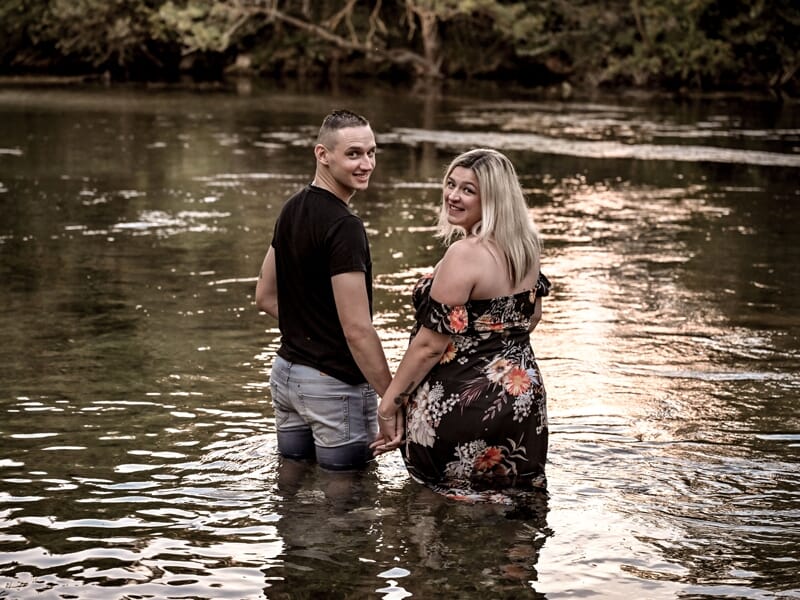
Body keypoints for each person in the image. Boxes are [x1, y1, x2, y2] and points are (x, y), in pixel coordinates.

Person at [372, 148, 551, 501]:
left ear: (494, 199)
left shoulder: (465, 254)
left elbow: (430, 345)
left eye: (468, 190)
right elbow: (531, 317)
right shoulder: (527, 247)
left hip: (463, 402)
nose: (453, 196)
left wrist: (389, 404)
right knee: (509, 504)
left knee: (439, 506)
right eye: (450, 184)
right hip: (522, 398)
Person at [255, 109, 391, 471]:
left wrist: (309, 332)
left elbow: (265, 295)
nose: (366, 164)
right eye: (353, 154)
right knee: (348, 500)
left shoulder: (291, 209)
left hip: (287, 374)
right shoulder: (345, 227)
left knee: (291, 485)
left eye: (371, 152)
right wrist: (393, 399)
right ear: (322, 154)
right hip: (332, 385)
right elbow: (357, 329)